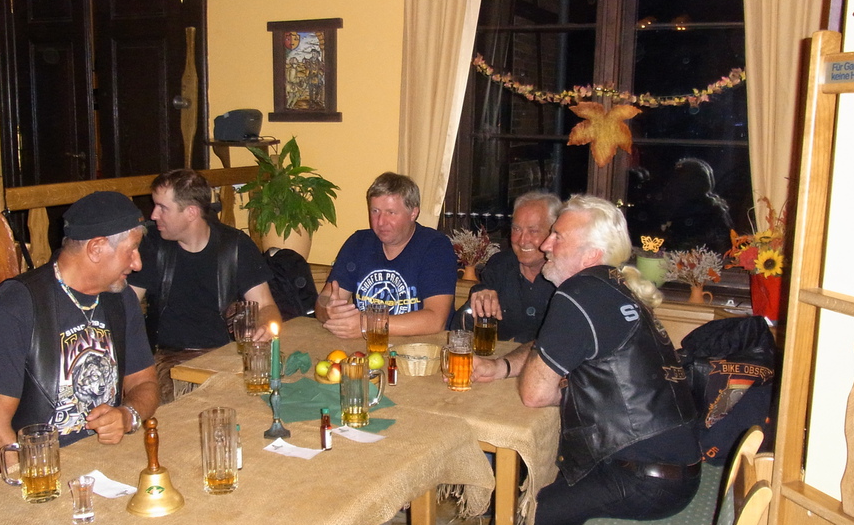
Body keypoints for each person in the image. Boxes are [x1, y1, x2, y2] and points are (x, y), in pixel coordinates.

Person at [474, 195, 701, 525]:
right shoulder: (615, 285)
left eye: (557, 237)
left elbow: (535, 394)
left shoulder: (577, 293)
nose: (546, 244)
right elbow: (552, 344)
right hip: (671, 466)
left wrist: (555, 384)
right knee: (546, 501)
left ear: (590, 254)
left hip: (640, 478)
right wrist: (502, 367)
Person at [0, 191, 159, 496]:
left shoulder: (120, 299)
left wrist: (127, 415)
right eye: (132, 250)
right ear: (96, 248)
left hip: (89, 468)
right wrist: (35, 493)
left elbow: (146, 384)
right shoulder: (17, 305)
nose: (137, 263)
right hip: (0, 478)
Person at [128, 169, 282, 401]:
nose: (153, 214)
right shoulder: (152, 246)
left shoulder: (235, 246)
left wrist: (265, 328)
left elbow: (266, 307)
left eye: (162, 207)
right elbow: (126, 307)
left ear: (191, 212)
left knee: (270, 394)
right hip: (169, 360)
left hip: (227, 355)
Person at [315, 172, 457, 337]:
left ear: (413, 213)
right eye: (375, 211)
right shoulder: (358, 242)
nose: (381, 221)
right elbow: (324, 299)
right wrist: (328, 310)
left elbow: (436, 320)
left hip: (418, 348)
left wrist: (368, 325)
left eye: (391, 212)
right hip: (364, 346)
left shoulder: (435, 246)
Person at [460, 191, 560, 342]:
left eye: (533, 231)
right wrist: (477, 301)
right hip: (500, 356)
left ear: (554, 234)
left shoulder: (566, 274)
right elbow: (460, 327)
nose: (522, 240)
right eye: (516, 229)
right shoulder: (500, 266)